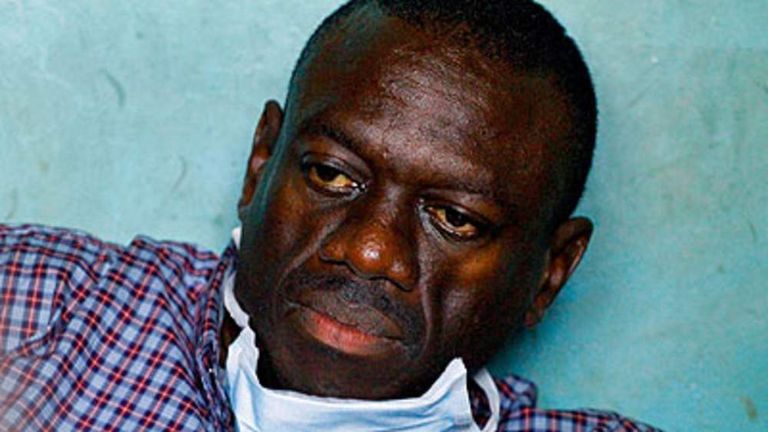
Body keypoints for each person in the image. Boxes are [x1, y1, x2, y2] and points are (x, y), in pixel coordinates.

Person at [0, 0, 661, 430]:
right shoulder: (37, 316)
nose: (371, 250)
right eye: (331, 175)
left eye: (455, 220)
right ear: (262, 165)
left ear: (549, 273)